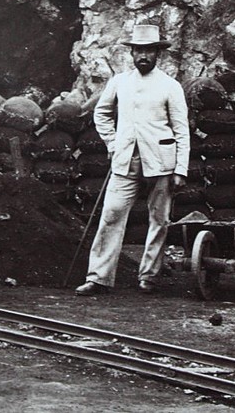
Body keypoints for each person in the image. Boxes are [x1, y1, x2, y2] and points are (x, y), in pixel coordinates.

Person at [75, 24, 191, 296]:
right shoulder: (119, 82)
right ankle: (98, 277)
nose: (143, 55)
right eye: (139, 50)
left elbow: (181, 129)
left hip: (161, 161)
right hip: (125, 159)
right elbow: (101, 114)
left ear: (158, 54)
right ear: (132, 52)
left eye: (149, 50)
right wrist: (113, 142)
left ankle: (149, 276)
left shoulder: (170, 86)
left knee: (159, 219)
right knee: (111, 215)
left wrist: (181, 169)